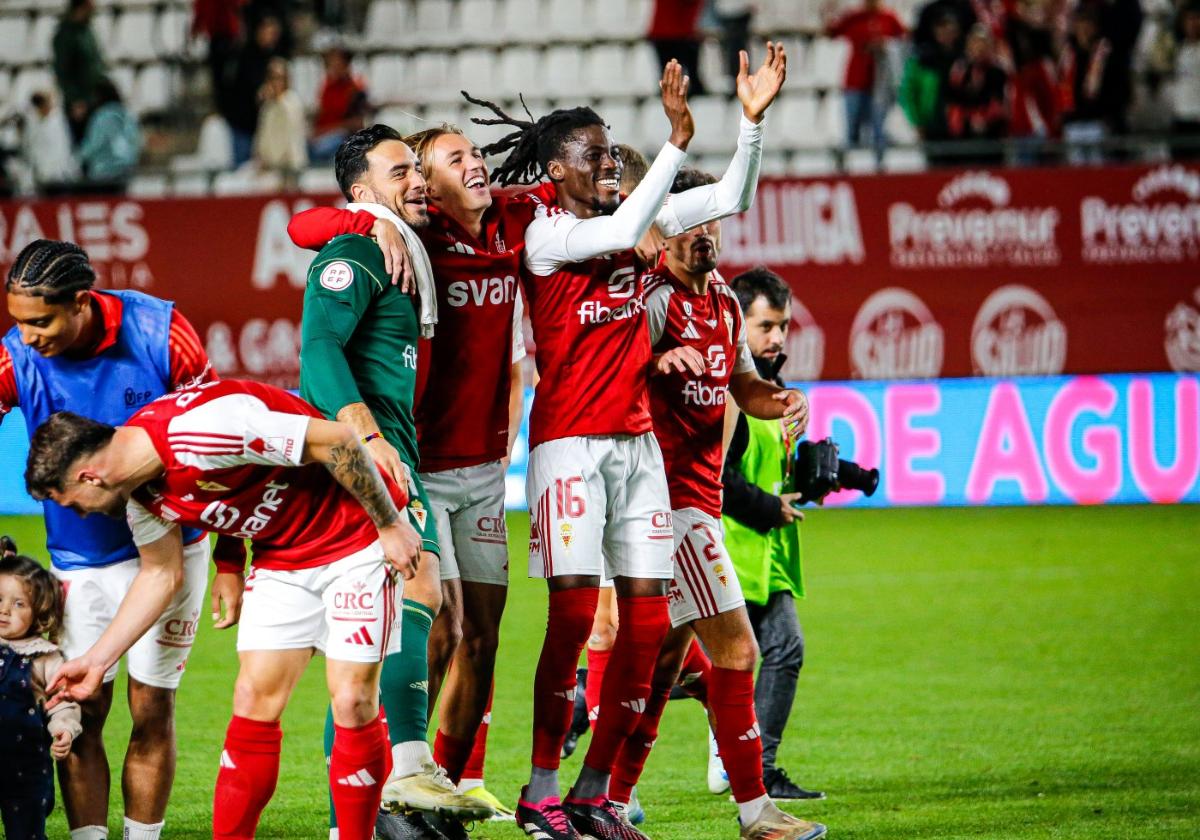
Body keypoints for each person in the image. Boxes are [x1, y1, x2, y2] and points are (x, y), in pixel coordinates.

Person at [464, 44, 785, 840]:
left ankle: (594, 793)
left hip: (638, 450)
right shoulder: (545, 233)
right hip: (569, 446)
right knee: (574, 622)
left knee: (647, 630)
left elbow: (730, 197)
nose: (611, 160)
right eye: (596, 153)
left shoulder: (630, 223)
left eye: (615, 150)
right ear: (554, 166)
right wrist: (673, 142)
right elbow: (624, 224)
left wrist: (749, 124)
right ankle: (540, 790)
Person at [31, 378, 423, 840]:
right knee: (253, 699)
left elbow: (337, 438)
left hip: (357, 536)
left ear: (89, 477)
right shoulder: (142, 493)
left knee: (353, 699)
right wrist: (96, 661)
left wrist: (389, 523)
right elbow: (160, 574)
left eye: (72, 505)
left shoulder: (202, 432)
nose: (82, 514)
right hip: (282, 553)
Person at [287, 121, 533, 833]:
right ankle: (405, 771)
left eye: (415, 171)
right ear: (365, 192)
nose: (417, 182)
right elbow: (317, 349)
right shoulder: (360, 247)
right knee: (414, 592)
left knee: (381, 639)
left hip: (396, 443)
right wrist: (365, 436)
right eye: (401, 174)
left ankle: (368, 807)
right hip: (373, 447)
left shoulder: (404, 243)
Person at [602, 167, 824, 840]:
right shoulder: (652, 300)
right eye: (687, 222)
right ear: (660, 229)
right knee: (736, 650)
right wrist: (654, 364)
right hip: (666, 505)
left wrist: (781, 399)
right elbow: (611, 380)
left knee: (663, 664)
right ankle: (755, 810)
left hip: (692, 501)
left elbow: (744, 386)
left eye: (711, 220)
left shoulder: (726, 302)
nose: (703, 234)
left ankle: (605, 800)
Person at [2, 239, 217, 840]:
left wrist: (228, 556)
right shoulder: (15, 354)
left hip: (173, 550)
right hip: (79, 558)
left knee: (152, 708)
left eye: (40, 321)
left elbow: (219, 440)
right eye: (16, 322)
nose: (27, 336)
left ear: (81, 302)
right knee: (79, 708)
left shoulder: (162, 334)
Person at [722, 267, 823, 803]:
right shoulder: (728, 390)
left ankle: (758, 770)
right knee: (677, 670)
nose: (778, 337)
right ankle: (582, 697)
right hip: (725, 549)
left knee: (783, 648)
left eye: (783, 325)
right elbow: (716, 477)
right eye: (766, 325)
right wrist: (768, 507)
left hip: (762, 555)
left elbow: (760, 465)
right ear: (737, 323)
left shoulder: (771, 388)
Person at [0, 554, 83, 840]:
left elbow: (62, 703)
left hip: (26, 768)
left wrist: (63, 728)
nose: (4, 611)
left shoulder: (45, 657)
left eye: (18, 603)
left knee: (27, 831)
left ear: (40, 611)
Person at [824, 0, 908, 160]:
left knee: (878, 128)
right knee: (852, 127)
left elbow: (903, 41)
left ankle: (879, 168)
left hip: (880, 84)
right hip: (855, 81)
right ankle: (849, 168)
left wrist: (885, 46)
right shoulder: (855, 17)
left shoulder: (889, 18)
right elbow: (832, 33)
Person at [1058, 5, 1122, 164]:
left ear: (1095, 27)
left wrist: (1109, 115)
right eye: (1080, 24)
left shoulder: (1105, 53)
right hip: (1073, 123)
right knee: (1076, 174)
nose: (1084, 29)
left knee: (1099, 171)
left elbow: (1115, 86)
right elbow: (1061, 86)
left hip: (1097, 123)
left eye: (1088, 24)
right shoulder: (1068, 55)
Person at [944, 25, 1010, 164]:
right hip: (963, 138)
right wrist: (964, 120)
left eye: (983, 45)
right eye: (975, 44)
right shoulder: (959, 70)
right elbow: (953, 101)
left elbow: (999, 103)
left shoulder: (998, 72)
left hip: (992, 137)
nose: (978, 49)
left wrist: (984, 119)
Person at [52, 0, 106, 143]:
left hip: (95, 97)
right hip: (79, 102)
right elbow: (62, 70)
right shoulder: (66, 35)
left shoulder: (87, 31)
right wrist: (75, 100)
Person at [77, 78, 142, 192]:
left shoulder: (102, 116)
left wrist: (78, 156)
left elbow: (95, 144)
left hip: (103, 173)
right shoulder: (127, 114)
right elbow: (136, 140)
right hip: (125, 171)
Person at [310, 46, 370, 162]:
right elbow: (322, 114)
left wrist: (325, 131)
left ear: (346, 64)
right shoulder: (327, 86)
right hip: (322, 134)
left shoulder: (355, 88)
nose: (332, 67)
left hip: (341, 137)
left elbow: (356, 124)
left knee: (324, 147)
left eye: (336, 63)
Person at [253, 57, 308, 178]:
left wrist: (276, 99)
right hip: (269, 166)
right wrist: (260, 157)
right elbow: (262, 136)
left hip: (291, 167)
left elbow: (292, 135)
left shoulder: (293, 101)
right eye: (272, 78)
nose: (276, 82)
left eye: (280, 78)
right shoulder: (267, 106)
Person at [23, 91, 79, 192]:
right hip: (41, 176)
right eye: (38, 104)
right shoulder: (33, 124)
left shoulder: (57, 121)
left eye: (42, 102)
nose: (42, 107)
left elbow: (63, 149)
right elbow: (31, 149)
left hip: (61, 176)